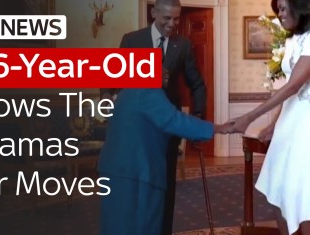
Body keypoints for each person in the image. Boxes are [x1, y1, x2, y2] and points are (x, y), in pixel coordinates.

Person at [100, 0, 207, 233]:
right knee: (134, 187)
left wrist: (198, 118)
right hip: (137, 131)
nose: (172, 24)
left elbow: (197, 84)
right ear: (153, 13)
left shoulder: (184, 44)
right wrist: (109, 100)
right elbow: (110, 79)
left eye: (176, 19)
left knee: (164, 186)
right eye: (167, 18)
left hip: (168, 130)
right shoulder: (132, 40)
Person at [97, 69, 232, 235]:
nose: (166, 72)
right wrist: (218, 129)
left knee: (116, 227)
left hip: (118, 170)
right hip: (137, 172)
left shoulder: (130, 89)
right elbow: (173, 120)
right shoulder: (147, 90)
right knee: (141, 227)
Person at [230, 0, 310, 234]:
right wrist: (274, 124)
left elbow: (293, 86)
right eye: (278, 9)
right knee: (279, 190)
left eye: (284, 8)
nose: (280, 14)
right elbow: (287, 87)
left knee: (302, 195)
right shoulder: (292, 38)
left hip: (306, 124)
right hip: (289, 120)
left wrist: (249, 117)